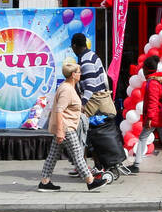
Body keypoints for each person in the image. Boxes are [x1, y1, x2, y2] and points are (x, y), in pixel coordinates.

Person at [40, 60, 113, 191]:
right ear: (73, 74)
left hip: (64, 127)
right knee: (78, 155)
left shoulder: (68, 87)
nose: (81, 74)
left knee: (52, 156)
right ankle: (90, 181)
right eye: (79, 72)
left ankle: (45, 182)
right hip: (66, 128)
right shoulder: (67, 90)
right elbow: (59, 111)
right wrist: (61, 131)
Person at [130, 55, 162, 174]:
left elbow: (153, 102)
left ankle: (136, 165)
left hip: (155, 116)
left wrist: (150, 119)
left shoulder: (152, 82)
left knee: (142, 137)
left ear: (146, 69)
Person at [71, 33, 115, 118]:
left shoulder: (86, 61)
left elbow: (90, 86)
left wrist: (82, 103)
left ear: (74, 46)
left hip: (94, 101)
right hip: (101, 99)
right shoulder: (92, 55)